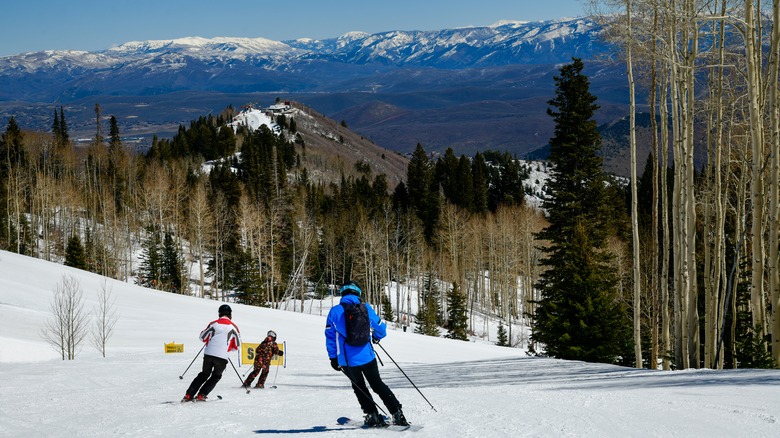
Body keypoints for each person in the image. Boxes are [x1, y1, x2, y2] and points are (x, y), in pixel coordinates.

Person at [325, 281, 409, 427]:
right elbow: (382, 329)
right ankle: (397, 414)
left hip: (347, 360)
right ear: (358, 293)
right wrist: (376, 337)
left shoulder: (335, 311)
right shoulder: (366, 308)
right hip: (367, 356)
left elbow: (330, 337)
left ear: (343, 293)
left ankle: (372, 415)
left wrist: (333, 358)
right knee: (377, 385)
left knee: (359, 388)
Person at [182, 304, 241, 402]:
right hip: (222, 356)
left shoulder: (213, 324)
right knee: (216, 376)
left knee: (204, 374)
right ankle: (202, 395)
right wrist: (228, 349)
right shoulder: (233, 327)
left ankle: (189, 395)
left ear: (219, 313)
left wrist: (210, 340)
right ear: (230, 314)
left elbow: (202, 337)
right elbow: (237, 346)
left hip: (209, 354)